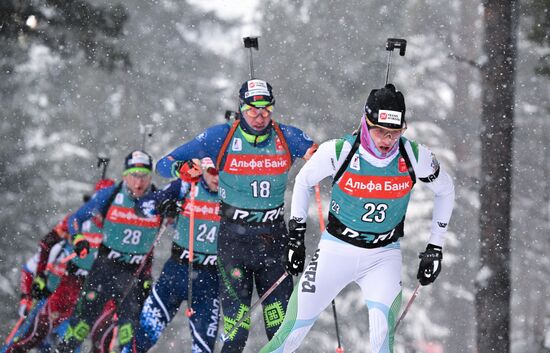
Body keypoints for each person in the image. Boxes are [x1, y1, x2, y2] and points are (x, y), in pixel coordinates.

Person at [260, 83, 455, 353]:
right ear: (366, 123)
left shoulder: (413, 155)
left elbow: (445, 190)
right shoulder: (339, 151)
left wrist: (435, 246)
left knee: (381, 343)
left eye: (394, 133)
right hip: (336, 250)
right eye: (380, 131)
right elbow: (304, 182)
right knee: (289, 334)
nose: (387, 140)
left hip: (383, 256)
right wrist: (296, 237)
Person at [155, 79, 318, 353]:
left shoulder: (287, 136)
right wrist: (182, 169)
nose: (259, 116)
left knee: (281, 330)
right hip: (234, 242)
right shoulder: (220, 137)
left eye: (266, 109)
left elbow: (327, 157)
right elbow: (163, 164)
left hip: (273, 239)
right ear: (241, 108)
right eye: (252, 110)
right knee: (234, 333)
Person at [55, 150, 161, 353]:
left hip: (135, 274)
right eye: (133, 175)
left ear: (150, 177)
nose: (138, 183)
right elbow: (75, 219)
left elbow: (183, 224)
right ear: (124, 175)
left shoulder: (159, 200)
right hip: (105, 267)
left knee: (128, 333)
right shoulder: (111, 194)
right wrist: (78, 238)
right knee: (80, 326)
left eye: (144, 176)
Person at [4, 179, 118, 353]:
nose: (103, 210)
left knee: (94, 336)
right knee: (35, 334)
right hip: (65, 288)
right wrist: (30, 293)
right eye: (100, 202)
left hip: (98, 286)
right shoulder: (75, 227)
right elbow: (42, 250)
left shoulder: (120, 222)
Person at [121, 157, 221, 353]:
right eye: (212, 171)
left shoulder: (236, 193)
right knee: (144, 335)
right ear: (203, 170)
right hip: (176, 272)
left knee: (204, 347)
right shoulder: (187, 185)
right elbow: (142, 206)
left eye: (222, 172)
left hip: (209, 280)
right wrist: (162, 205)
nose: (217, 178)